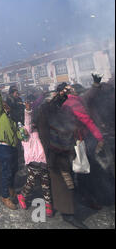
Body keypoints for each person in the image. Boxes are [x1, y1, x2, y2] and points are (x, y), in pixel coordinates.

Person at [35, 83, 88, 229]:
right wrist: (50, 153)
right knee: (65, 184)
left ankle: (66, 209)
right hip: (55, 153)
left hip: (63, 150)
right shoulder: (45, 110)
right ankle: (68, 214)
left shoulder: (60, 109)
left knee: (65, 182)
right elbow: (44, 133)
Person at [17, 99, 53, 217]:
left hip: (42, 160)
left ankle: (48, 205)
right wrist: (28, 110)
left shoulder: (39, 129)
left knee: (45, 182)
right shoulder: (27, 130)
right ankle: (22, 195)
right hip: (32, 160)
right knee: (31, 182)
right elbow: (28, 119)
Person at [0, 78, 23, 210]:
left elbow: (17, 131)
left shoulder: (12, 117)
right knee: (6, 172)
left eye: (6, 105)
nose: (5, 106)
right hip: (4, 147)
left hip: (13, 147)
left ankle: (11, 189)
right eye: (3, 105)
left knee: (14, 170)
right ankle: (5, 196)